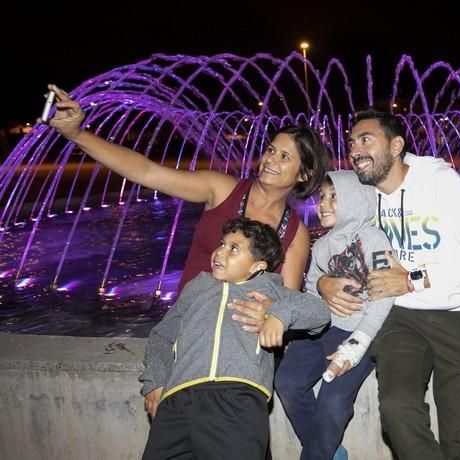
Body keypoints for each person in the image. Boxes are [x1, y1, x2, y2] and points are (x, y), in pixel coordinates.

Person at [317, 108, 460, 460]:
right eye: (352, 142)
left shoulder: (439, 182)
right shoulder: (366, 195)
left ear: (397, 145)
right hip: (401, 320)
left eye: (366, 139)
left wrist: (412, 279)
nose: (355, 149)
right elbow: (338, 243)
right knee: (397, 411)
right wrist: (324, 280)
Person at [42, 84, 329, 296]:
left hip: (243, 343)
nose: (270, 160)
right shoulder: (221, 189)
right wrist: (77, 134)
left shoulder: (294, 234)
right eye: (270, 150)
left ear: (303, 174)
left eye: (285, 157)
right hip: (188, 327)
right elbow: (147, 171)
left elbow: (286, 302)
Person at [139, 217, 330, 460]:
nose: (220, 251)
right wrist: (155, 382)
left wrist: (278, 314)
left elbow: (319, 312)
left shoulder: (270, 291)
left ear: (257, 266)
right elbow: (162, 336)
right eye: (222, 244)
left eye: (234, 249)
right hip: (178, 399)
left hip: (236, 398)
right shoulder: (196, 289)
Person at [274, 170, 394, 460]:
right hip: (319, 329)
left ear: (355, 199)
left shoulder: (374, 239)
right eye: (322, 197)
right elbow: (313, 292)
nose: (322, 204)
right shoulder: (323, 246)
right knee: (287, 382)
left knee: (335, 399)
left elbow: (384, 295)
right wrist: (295, 325)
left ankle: (316, 455)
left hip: (355, 333)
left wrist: (356, 345)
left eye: (334, 197)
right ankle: (329, 451)